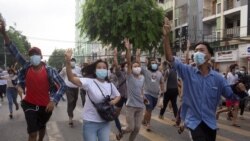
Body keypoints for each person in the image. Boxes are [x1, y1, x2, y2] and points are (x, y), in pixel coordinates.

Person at [162, 17, 238, 141]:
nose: (197, 53)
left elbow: (231, 96)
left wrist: (239, 89)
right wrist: (166, 37)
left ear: (209, 55)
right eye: (195, 51)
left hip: (210, 124)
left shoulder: (218, 79)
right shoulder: (187, 71)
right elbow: (170, 58)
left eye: (201, 50)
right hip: (193, 122)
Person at [0, 20, 67, 141]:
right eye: (31, 55)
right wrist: (4, 33)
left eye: (36, 54)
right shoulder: (26, 66)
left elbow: (63, 85)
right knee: (32, 133)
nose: (33, 56)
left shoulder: (50, 70)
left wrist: (54, 101)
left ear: (41, 57)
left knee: (41, 127)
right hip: (29, 104)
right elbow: (13, 50)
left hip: (46, 106)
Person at [64, 49, 121, 141]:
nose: (102, 69)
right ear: (95, 71)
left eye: (104, 68)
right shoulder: (89, 82)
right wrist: (67, 61)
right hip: (90, 122)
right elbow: (71, 78)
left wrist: (113, 102)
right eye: (99, 67)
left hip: (105, 122)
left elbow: (118, 95)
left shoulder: (110, 84)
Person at [117, 38, 146, 141]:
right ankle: (122, 132)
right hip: (131, 107)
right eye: (135, 66)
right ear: (131, 68)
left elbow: (141, 90)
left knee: (137, 128)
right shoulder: (129, 77)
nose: (137, 67)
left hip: (140, 106)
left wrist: (144, 97)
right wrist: (128, 50)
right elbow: (129, 62)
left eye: (138, 66)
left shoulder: (142, 77)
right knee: (130, 127)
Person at [136, 49, 164, 131]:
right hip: (146, 94)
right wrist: (138, 56)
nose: (154, 64)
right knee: (149, 108)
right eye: (152, 63)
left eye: (155, 63)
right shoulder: (146, 71)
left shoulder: (159, 73)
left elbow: (162, 83)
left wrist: (162, 95)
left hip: (156, 95)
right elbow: (139, 65)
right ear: (149, 65)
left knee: (150, 109)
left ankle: (144, 120)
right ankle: (148, 124)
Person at [60, 58, 82, 127]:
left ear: (75, 62)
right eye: (71, 61)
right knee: (70, 101)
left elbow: (82, 76)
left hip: (76, 88)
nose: (72, 62)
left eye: (73, 61)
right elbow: (60, 75)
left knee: (74, 102)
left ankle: (70, 112)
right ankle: (70, 118)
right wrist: (63, 82)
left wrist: (77, 75)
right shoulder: (65, 68)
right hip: (68, 87)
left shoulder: (78, 69)